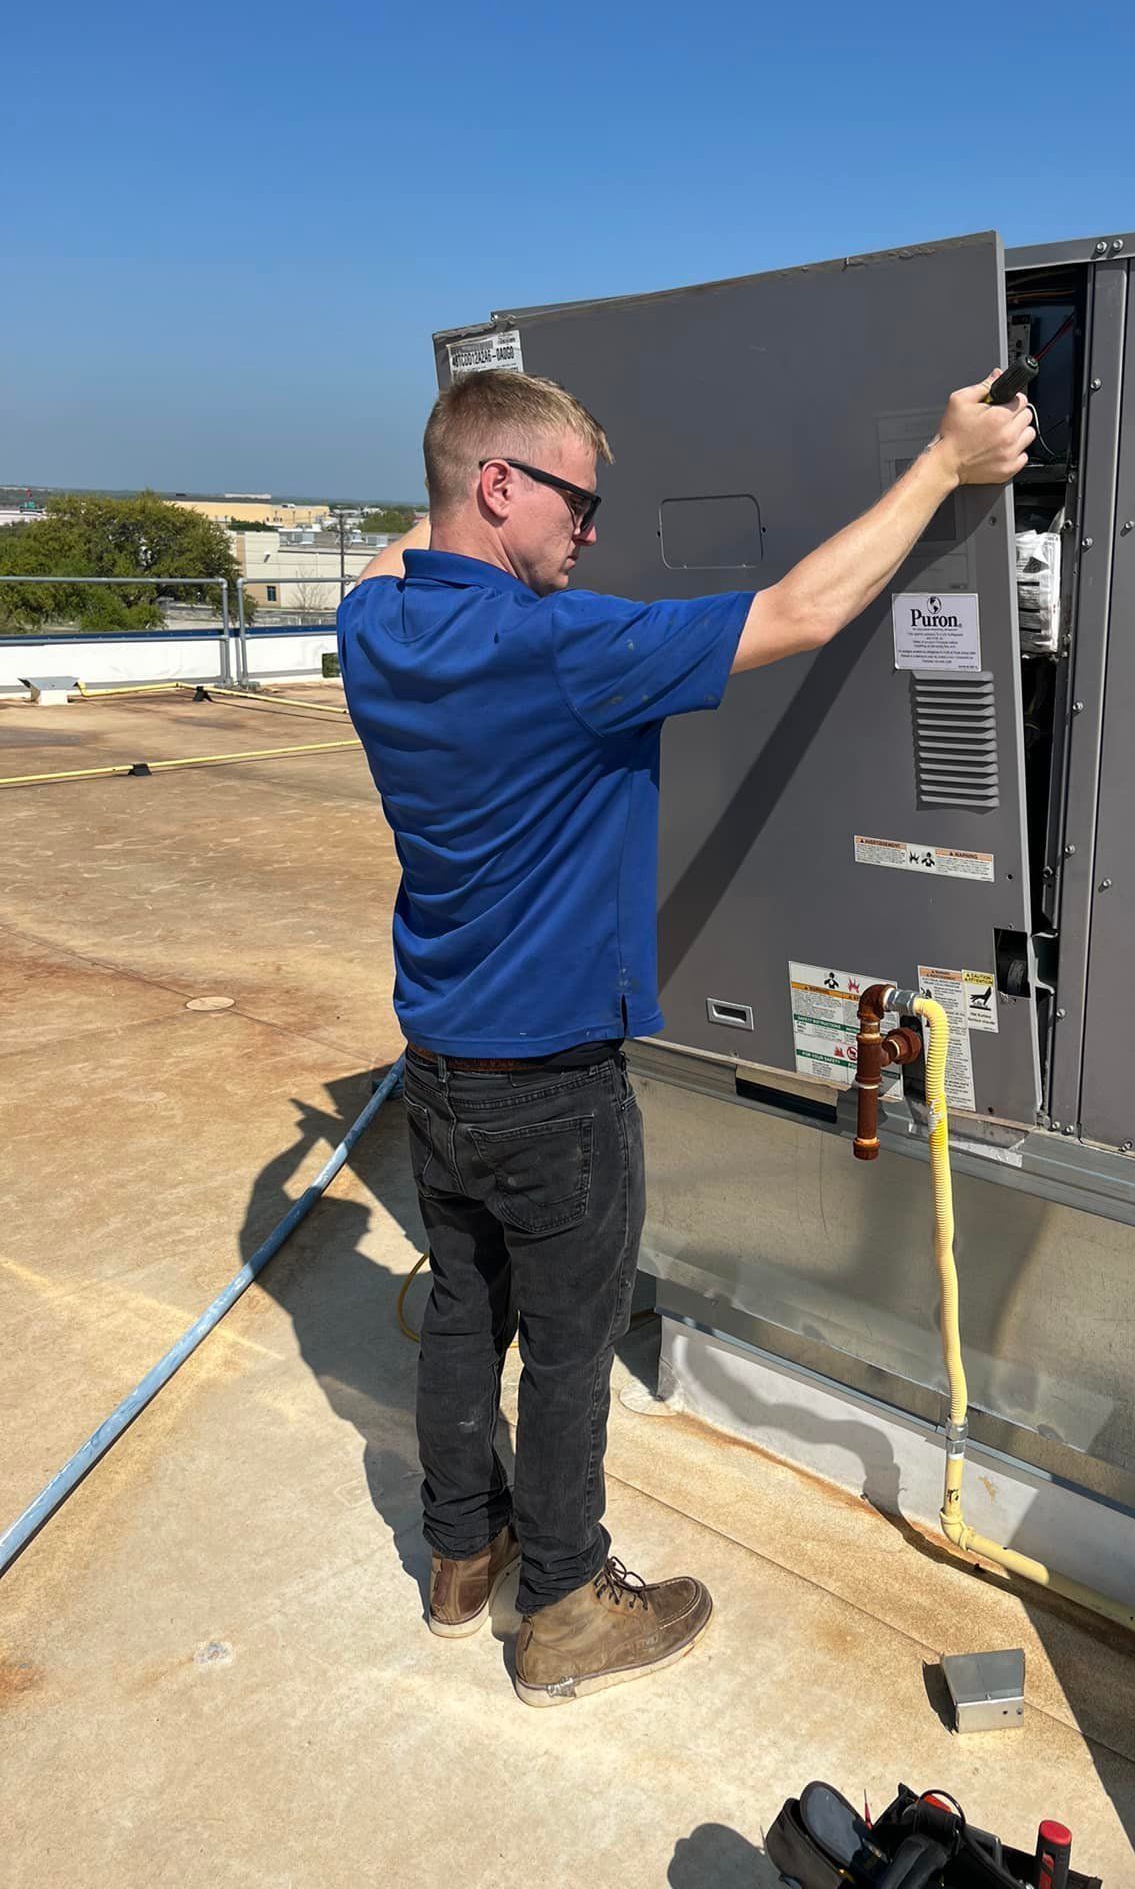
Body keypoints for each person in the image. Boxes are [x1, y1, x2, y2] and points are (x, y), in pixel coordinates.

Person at [339, 366, 1034, 1706]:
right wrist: (947, 463)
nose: (592, 532)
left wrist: (459, 488)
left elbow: (394, 551)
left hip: (438, 1068)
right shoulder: (561, 651)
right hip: (554, 1085)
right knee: (571, 1346)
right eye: (577, 504)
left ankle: (456, 1562)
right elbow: (806, 611)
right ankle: (564, 1610)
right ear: (498, 488)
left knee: (463, 1312)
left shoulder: (377, 629)